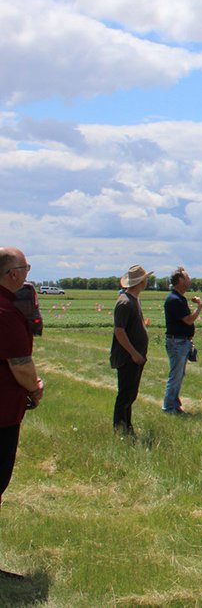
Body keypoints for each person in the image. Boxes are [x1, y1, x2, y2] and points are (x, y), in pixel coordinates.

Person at [0, 248, 44, 579]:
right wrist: (34, 389)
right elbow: (20, 364)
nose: (27, 273)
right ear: (12, 274)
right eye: (24, 267)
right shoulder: (6, 312)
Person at [110, 265, 150, 435]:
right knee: (125, 395)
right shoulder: (125, 303)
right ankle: (120, 428)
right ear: (141, 281)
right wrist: (134, 353)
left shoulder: (134, 300)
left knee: (130, 394)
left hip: (135, 356)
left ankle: (127, 426)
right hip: (128, 357)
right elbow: (119, 331)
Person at [162, 266, 202, 414]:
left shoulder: (179, 298)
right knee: (175, 375)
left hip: (181, 341)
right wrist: (199, 306)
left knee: (179, 375)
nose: (189, 280)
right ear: (179, 281)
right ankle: (169, 407)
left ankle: (175, 404)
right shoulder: (175, 299)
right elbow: (189, 320)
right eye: (187, 277)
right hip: (177, 342)